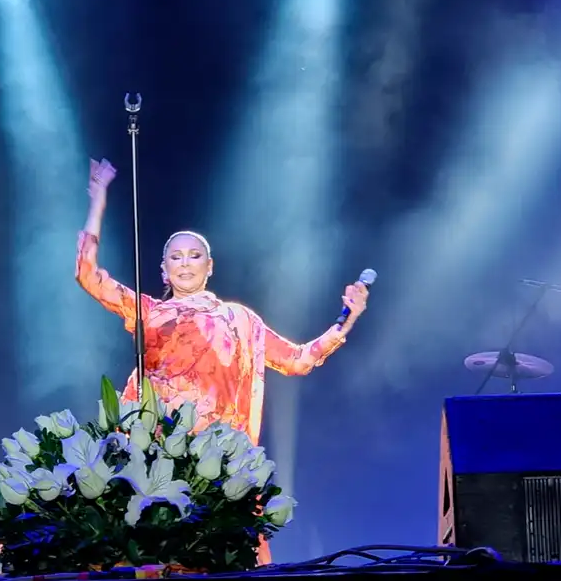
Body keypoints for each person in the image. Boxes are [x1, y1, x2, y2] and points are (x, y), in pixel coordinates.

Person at [76, 157, 369, 444]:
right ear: (164, 271)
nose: (186, 264)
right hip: (158, 450)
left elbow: (296, 360)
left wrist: (347, 319)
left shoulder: (240, 320)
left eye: (194, 256)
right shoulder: (148, 312)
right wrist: (98, 203)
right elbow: (88, 275)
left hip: (217, 460)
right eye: (176, 258)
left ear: (210, 266)